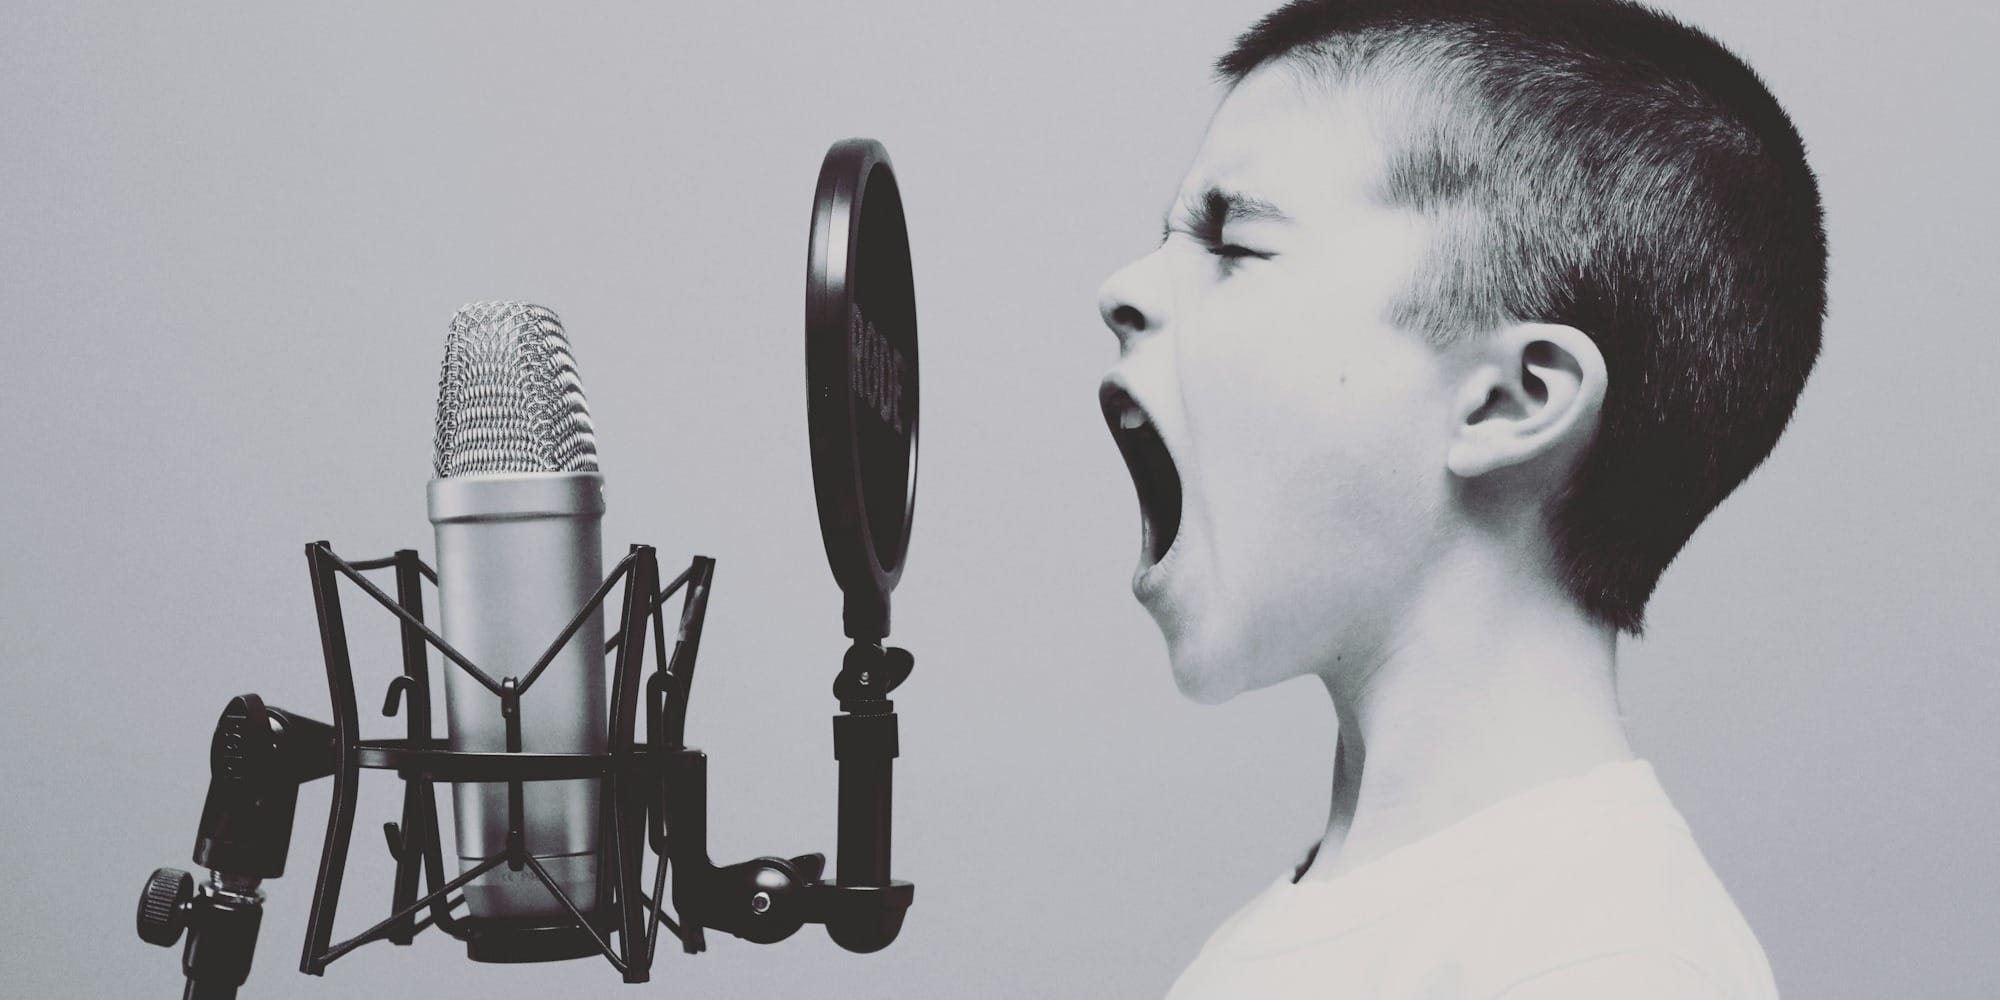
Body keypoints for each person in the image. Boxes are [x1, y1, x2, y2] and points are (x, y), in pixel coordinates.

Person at [1093, 1, 1824, 996]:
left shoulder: (1603, 964)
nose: (1122, 288)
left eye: (1233, 243)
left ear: (1509, 398)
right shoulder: (1323, 924)